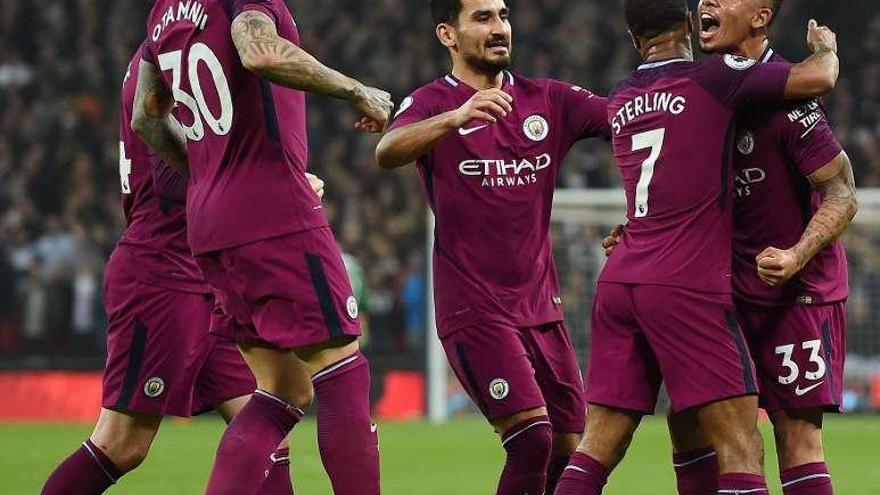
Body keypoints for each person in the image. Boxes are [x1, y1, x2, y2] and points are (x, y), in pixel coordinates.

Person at [553, 0, 840, 493]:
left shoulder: (622, 96)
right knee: (732, 443)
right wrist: (828, 51)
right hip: (697, 287)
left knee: (604, 443)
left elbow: (843, 192)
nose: (710, 2)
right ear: (687, 24)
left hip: (785, 292)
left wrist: (798, 253)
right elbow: (820, 75)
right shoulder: (716, 80)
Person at [40, 43, 325, 495]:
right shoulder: (174, 55)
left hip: (208, 275)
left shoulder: (176, 46)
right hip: (162, 274)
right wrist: (275, 184)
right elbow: (173, 178)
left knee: (271, 424)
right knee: (122, 443)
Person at [132, 1, 393, 493]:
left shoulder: (162, 14)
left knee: (280, 392)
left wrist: (212, 178)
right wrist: (358, 90)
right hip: (274, 210)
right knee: (343, 370)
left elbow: (146, 116)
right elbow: (257, 52)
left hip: (208, 220)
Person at [375, 0, 609, 492]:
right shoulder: (433, 101)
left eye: (502, 16)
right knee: (531, 439)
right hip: (474, 308)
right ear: (448, 34)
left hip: (542, 307)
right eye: (482, 18)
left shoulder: (548, 99)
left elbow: (629, 126)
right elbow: (387, 150)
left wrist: (646, 210)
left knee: (571, 449)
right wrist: (454, 119)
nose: (499, 27)